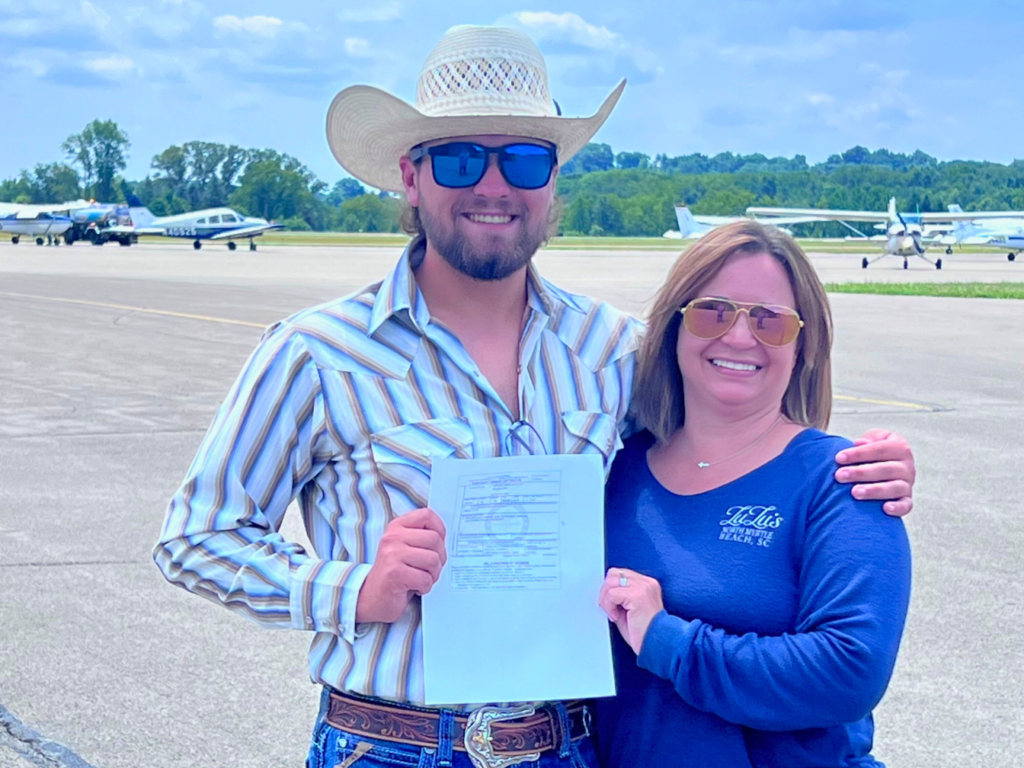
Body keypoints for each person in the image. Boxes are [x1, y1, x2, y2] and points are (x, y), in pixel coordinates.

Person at [153, 26, 916, 768]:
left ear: (552, 183)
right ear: (411, 177)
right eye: (458, 159)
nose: (493, 185)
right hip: (390, 745)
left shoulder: (615, 351)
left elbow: (728, 429)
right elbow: (196, 536)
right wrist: (354, 589)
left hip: (568, 745)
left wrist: (854, 466)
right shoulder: (316, 353)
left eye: (523, 159)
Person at [596, 221, 912, 767]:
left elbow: (849, 672)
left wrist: (669, 642)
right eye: (713, 311)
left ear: (804, 346)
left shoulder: (842, 481)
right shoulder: (612, 469)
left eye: (771, 321)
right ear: (675, 327)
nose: (740, 337)